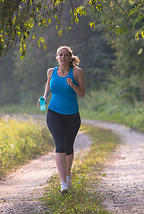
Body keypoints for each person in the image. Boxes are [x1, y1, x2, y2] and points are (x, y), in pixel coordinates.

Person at [38, 46, 85, 193]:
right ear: (57, 57)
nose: (63, 57)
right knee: (60, 146)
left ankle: (68, 175)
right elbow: (48, 85)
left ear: (70, 57)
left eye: (65, 55)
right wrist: (44, 97)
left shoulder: (77, 72)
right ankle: (63, 183)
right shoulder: (51, 72)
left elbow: (82, 93)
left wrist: (73, 85)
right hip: (54, 113)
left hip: (72, 116)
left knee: (69, 148)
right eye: (60, 55)